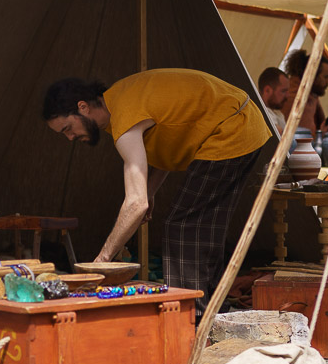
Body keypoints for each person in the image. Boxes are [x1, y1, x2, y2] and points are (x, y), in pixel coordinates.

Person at [41, 69, 272, 306]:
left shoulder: (124, 117)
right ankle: (213, 305)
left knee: (182, 226)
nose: (70, 138)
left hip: (232, 126)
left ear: (83, 107)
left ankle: (190, 312)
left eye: (67, 128)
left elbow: (136, 204)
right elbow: (170, 139)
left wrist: (102, 260)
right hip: (242, 120)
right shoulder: (119, 98)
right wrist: (150, 189)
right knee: (204, 227)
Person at [256, 66, 291, 132]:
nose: (288, 95)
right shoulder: (257, 112)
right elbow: (278, 132)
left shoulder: (277, 113)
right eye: (283, 91)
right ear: (267, 90)